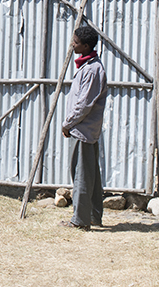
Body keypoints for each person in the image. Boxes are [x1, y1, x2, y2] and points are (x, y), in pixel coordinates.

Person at [60, 25, 108, 230]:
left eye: (76, 42)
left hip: (82, 130)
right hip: (85, 130)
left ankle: (80, 220)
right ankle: (93, 216)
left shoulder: (92, 69)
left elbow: (84, 104)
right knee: (90, 175)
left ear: (86, 46)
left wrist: (67, 123)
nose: (72, 44)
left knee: (81, 175)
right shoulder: (88, 66)